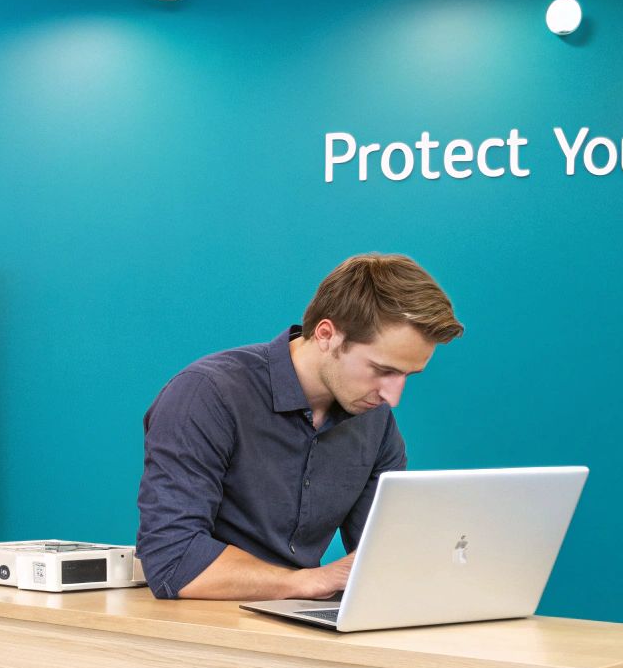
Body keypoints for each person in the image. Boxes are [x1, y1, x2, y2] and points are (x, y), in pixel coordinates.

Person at [135, 253, 463, 600]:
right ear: (326, 335)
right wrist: (308, 581)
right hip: (203, 621)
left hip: (297, 620)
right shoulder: (208, 394)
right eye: (383, 370)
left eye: (408, 375)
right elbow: (174, 562)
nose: (392, 397)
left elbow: (383, 558)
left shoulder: (375, 421)